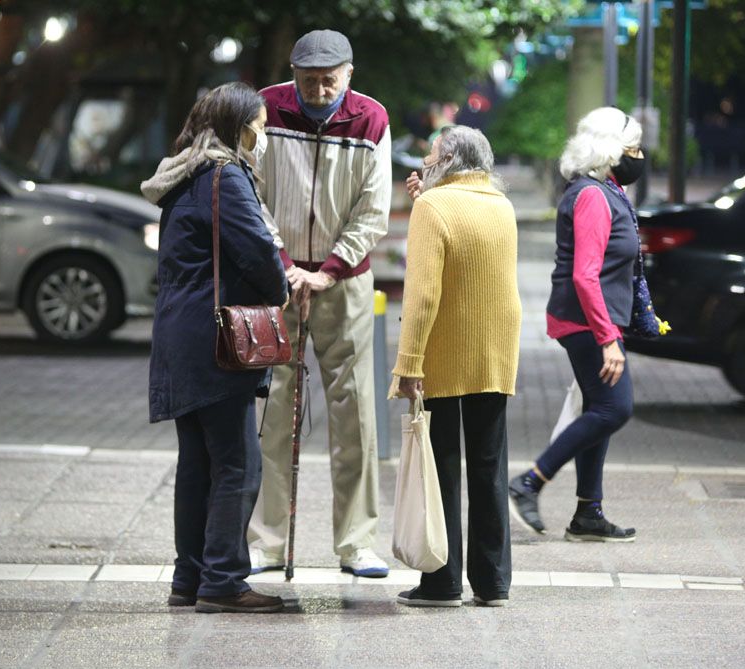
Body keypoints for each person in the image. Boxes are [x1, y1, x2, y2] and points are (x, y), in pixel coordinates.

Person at [247, 29, 394, 579]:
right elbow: (251, 193)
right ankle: (265, 542)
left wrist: (329, 269)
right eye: (308, 79)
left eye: (329, 79)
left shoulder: (371, 119)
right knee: (271, 412)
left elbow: (374, 209)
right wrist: (285, 264)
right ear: (294, 74)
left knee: (355, 415)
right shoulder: (266, 109)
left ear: (349, 74)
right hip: (276, 280)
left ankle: (357, 543)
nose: (319, 88)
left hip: (344, 282)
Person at [140, 82, 289, 613]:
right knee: (238, 464)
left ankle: (190, 578)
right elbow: (258, 252)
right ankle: (223, 580)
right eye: (260, 127)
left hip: (181, 333)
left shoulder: (184, 174)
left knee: (198, 463)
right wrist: (281, 289)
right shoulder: (225, 176)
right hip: (217, 338)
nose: (262, 137)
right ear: (239, 127)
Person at [392, 126, 522, 607]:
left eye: (431, 155)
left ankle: (442, 582)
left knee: (441, 466)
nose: (424, 163)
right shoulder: (500, 204)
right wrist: (427, 198)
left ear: (448, 160)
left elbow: (423, 295)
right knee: (489, 466)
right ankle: (493, 582)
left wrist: (408, 362)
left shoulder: (432, 207)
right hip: (495, 350)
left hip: (445, 352)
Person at [508, 107, 642, 543]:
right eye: (632, 148)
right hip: (588, 322)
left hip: (593, 319)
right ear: (610, 150)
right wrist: (608, 338)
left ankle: (588, 513)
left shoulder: (604, 191)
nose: (639, 156)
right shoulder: (592, 197)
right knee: (614, 408)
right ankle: (530, 482)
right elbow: (586, 276)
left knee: (598, 409)